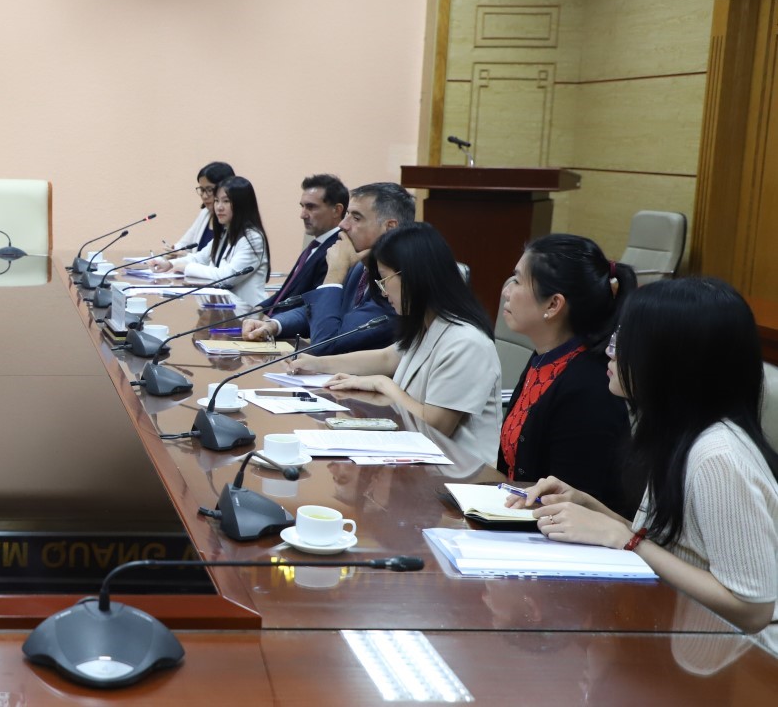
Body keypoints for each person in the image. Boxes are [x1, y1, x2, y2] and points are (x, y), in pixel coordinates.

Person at [512, 278, 778, 652]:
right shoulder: (675, 432)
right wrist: (590, 507)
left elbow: (752, 609)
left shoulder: (716, 457)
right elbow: (672, 549)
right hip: (687, 638)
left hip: (746, 663)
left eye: (624, 342)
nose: (610, 352)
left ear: (670, 361)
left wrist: (626, 539)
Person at [290, 222, 502, 461]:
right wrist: (318, 364)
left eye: (384, 280)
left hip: (459, 470)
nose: (383, 292)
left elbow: (437, 427)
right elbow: (387, 357)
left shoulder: (467, 342)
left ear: (412, 276)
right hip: (416, 453)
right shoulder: (427, 323)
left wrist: (384, 385)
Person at [498, 234, 637, 516]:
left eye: (518, 281)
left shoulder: (590, 387)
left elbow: (573, 503)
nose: (506, 292)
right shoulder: (545, 358)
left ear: (553, 305)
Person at [243, 181, 411, 355]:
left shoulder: (398, 284)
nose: (343, 225)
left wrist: (334, 274)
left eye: (356, 218)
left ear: (390, 228)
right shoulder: (359, 267)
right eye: (347, 215)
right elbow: (318, 311)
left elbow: (325, 345)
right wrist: (274, 325)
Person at [148, 175, 270, 307]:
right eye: (217, 201)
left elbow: (228, 277)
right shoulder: (226, 232)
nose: (219, 207)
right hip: (224, 308)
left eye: (226, 201)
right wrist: (169, 264)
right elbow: (199, 258)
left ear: (242, 205)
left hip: (248, 312)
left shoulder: (253, 238)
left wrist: (186, 268)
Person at [264, 173, 347, 304]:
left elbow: (313, 304)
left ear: (336, 210)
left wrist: (269, 317)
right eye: (302, 206)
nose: (302, 215)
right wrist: (259, 308)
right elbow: (285, 292)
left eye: (311, 207)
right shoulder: (315, 246)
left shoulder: (337, 250)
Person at [171, 161, 234, 254]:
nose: (204, 196)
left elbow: (214, 260)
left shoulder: (232, 221)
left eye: (209, 190)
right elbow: (184, 244)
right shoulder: (205, 213)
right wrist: (173, 251)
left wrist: (185, 257)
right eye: (202, 189)